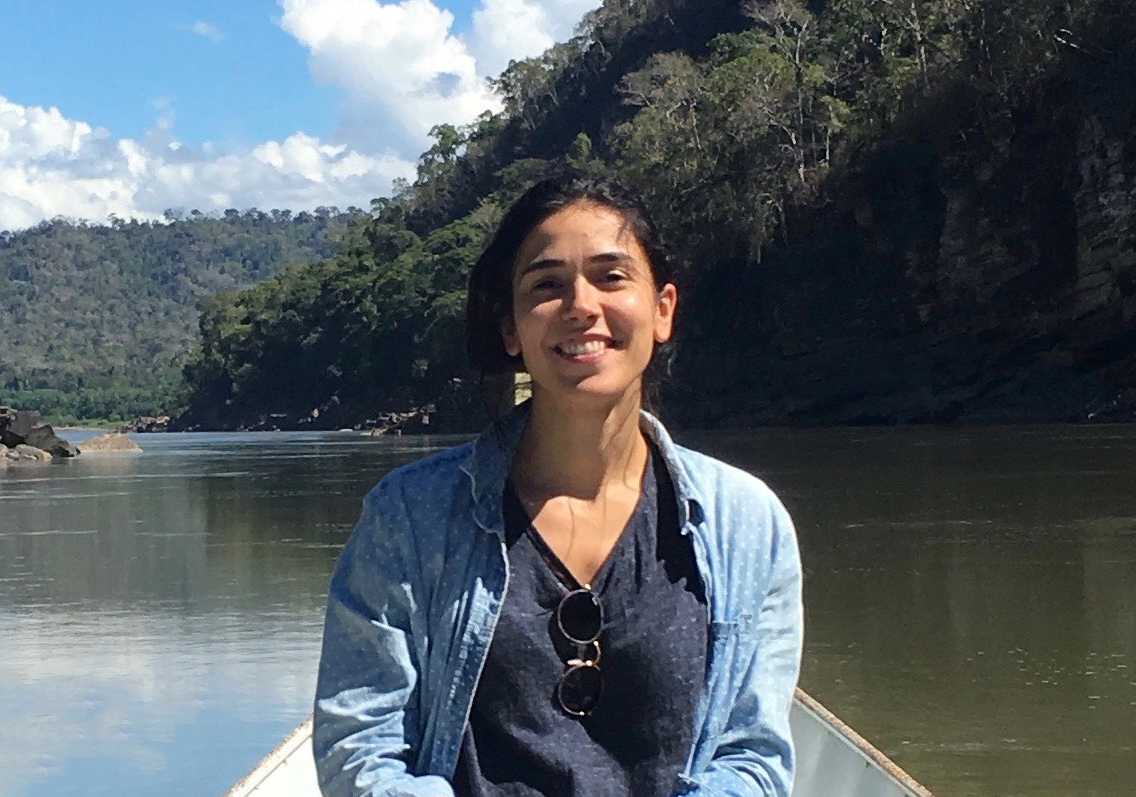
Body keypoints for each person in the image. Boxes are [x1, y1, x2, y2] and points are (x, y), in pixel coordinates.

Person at [313, 172, 803, 797]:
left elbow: (752, 757)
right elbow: (360, 748)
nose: (580, 304)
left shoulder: (745, 524)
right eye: (546, 285)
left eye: (611, 276)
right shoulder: (411, 517)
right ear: (512, 329)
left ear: (662, 311)